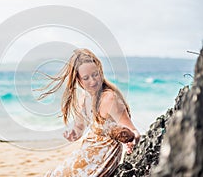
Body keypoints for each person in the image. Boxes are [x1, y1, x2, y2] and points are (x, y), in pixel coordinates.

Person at [37, 48, 140, 177]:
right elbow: (80, 127)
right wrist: (73, 133)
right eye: (86, 78)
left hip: (103, 157)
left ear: (100, 72)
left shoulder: (110, 98)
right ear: (79, 81)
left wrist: (131, 141)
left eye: (95, 74)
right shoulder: (84, 97)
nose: (93, 81)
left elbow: (134, 131)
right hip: (87, 151)